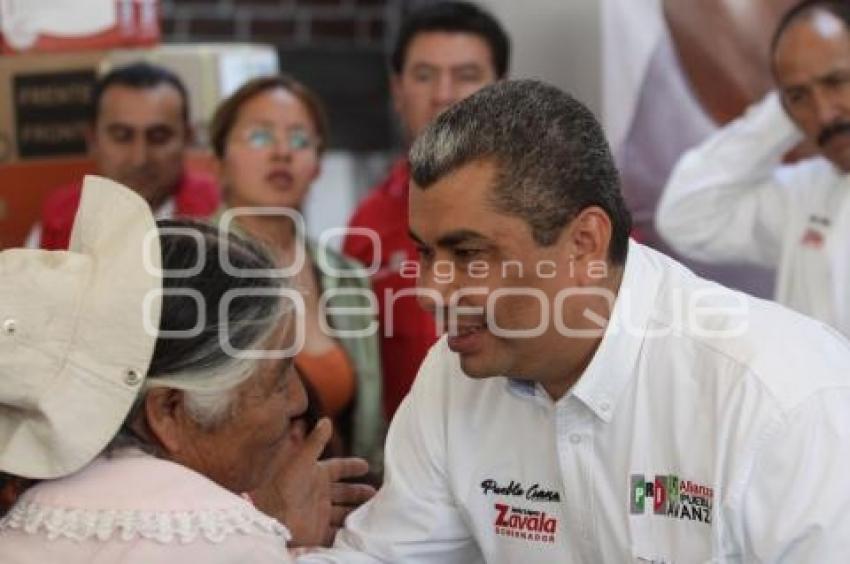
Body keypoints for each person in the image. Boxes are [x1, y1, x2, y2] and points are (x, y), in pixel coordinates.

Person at [297, 80, 850, 563]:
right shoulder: (452, 375)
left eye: (469, 255)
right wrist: (239, 528)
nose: (429, 290)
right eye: (425, 254)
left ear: (584, 243)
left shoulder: (781, 396)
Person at [0, 176, 373, 561]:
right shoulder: (224, 541)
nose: (299, 400)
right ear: (169, 410)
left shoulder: (30, 519)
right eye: (277, 381)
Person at [342, 1, 511, 420]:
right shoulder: (368, 223)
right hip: (409, 468)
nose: (444, 95)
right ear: (398, 91)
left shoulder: (558, 207)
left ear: (503, 88)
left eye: (466, 76)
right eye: (424, 75)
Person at [208, 75, 384, 471]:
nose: (283, 152)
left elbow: (368, 431)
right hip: (224, 509)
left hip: (336, 514)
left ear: (318, 165)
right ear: (219, 161)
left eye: (301, 140)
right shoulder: (191, 267)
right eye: (259, 137)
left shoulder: (348, 277)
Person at [656, 0, 850, 337]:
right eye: (799, 97)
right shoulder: (807, 193)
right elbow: (685, 215)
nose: (824, 114)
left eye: (836, 81)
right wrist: (784, 109)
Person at [26, 61, 219, 250]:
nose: (140, 159)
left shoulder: (220, 215)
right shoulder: (60, 219)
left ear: (187, 138)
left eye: (158, 137)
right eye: (122, 137)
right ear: (92, 140)